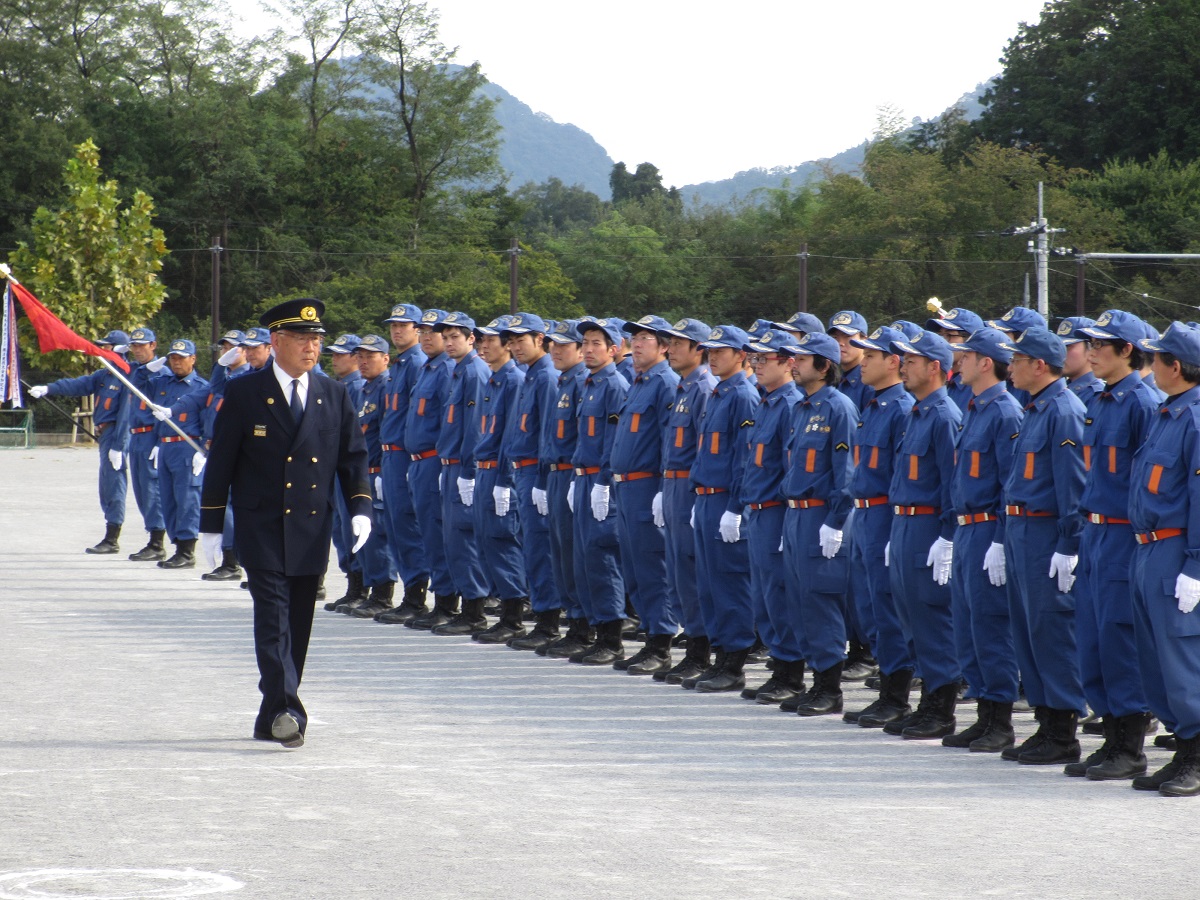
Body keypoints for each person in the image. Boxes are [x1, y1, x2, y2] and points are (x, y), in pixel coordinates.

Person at [199, 298, 371, 749]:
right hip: (262, 524)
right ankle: (287, 710)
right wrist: (212, 525)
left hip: (311, 527)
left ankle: (269, 711)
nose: (312, 347)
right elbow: (222, 462)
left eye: (317, 339)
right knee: (273, 618)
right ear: (276, 342)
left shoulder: (333, 393)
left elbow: (353, 459)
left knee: (298, 622)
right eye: (302, 339)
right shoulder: (245, 392)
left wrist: (361, 509)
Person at [1068, 310, 1158, 779]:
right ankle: (1110, 731)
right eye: (1091, 344)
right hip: (1096, 529)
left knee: (1121, 636)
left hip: (1124, 531)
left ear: (1128, 350)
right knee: (1094, 636)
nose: (1093, 351)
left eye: (1103, 345)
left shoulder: (1143, 403)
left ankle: (1130, 744)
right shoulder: (1102, 401)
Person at [998, 325, 1088, 765]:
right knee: (1027, 629)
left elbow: (1073, 484)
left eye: (1016, 360)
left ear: (1039, 365)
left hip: (1046, 532)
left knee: (1051, 629)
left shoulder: (1064, 410)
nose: (1010, 367)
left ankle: (1063, 728)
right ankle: (1045, 718)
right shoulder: (1033, 408)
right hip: (1020, 530)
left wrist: (1069, 543)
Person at [940, 327, 1023, 752]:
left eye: (966, 355)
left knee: (991, 625)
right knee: (969, 627)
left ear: (986, 362)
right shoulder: (975, 407)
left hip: (988, 526)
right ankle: (983, 713)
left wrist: (999, 539)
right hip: (966, 526)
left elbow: (1010, 482)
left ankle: (1001, 718)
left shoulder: (1006, 411)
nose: (959, 361)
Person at [1128, 322, 1200, 795]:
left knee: (1182, 658)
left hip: (1177, 549)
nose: (1149, 365)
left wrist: (1195, 566)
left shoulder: (1194, 419)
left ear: (1175, 367)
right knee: (1154, 658)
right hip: (1147, 546)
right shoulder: (1167, 412)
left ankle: (1196, 754)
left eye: (1156, 359)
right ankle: (1182, 747)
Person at [883, 330, 962, 739]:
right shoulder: (918, 412)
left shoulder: (944, 415)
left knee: (932, 617)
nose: (903, 367)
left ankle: (941, 705)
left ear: (935, 367)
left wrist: (947, 536)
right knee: (910, 617)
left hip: (930, 525)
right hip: (906, 522)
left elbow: (952, 482)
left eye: (911, 361)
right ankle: (927, 697)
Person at [840, 327, 915, 727]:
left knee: (888, 608)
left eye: (871, 355)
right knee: (870, 606)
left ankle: (897, 694)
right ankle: (888, 689)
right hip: (865, 511)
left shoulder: (902, 408)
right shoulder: (876, 405)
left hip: (887, 513)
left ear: (894, 362)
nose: (861, 360)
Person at [780, 331, 858, 715]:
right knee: (799, 600)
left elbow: (845, 472)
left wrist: (836, 520)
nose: (792, 363)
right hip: (796, 513)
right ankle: (815, 679)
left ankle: (830, 687)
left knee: (820, 600)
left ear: (824, 366)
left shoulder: (838, 407)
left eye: (802, 358)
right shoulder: (802, 407)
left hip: (820, 516)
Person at [687, 324, 759, 692]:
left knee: (731, 583)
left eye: (721, 351)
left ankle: (735, 662)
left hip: (727, 499)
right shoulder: (718, 393)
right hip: (708, 496)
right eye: (710, 351)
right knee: (710, 584)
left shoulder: (743, 396)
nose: (713, 356)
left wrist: (735, 507)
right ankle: (719, 655)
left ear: (741, 355)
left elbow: (744, 459)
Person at [609, 315, 680, 674]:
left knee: (653, 567)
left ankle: (661, 642)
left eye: (645, 339)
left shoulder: (666, 384)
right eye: (634, 338)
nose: (635, 344)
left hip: (647, 485)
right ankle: (651, 632)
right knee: (634, 568)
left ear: (664, 346)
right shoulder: (638, 381)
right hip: (626, 485)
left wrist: (662, 489)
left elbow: (671, 440)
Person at [738, 328, 804, 703]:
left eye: (765, 359)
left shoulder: (791, 404)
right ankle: (781, 666)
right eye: (755, 359)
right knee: (764, 596)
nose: (757, 365)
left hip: (778, 512)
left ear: (788, 362)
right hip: (758, 510)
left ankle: (790, 672)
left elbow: (788, 468)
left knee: (780, 595)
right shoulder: (767, 402)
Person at [653, 318, 717, 683]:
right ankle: (693, 643)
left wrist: (692, 495)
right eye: (670, 342)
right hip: (673, 486)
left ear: (699, 350)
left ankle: (700, 651)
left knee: (693, 574)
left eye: (679, 343)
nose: (671, 348)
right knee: (678, 572)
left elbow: (701, 451)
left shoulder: (703, 389)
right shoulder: (683, 387)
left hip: (691, 490)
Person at [29, 329, 131, 553]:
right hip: (106, 435)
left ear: (119, 349)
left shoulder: (126, 374)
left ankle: (112, 538)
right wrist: (49, 388)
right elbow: (78, 384)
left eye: (106, 346)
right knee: (106, 486)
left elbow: (126, 413)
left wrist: (119, 446)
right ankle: (110, 534)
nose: (101, 350)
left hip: (116, 434)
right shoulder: (105, 374)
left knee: (114, 485)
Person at [569, 317, 631, 664]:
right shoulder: (590, 383)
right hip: (583, 477)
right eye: (586, 343)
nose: (588, 349)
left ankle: (611, 637)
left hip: (600, 480)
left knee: (603, 558)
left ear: (614, 349)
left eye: (597, 343)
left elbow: (613, 441)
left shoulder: (614, 385)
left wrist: (603, 483)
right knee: (585, 560)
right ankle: (595, 629)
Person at [501, 313, 562, 651]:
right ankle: (542, 615)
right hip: (523, 471)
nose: (515, 346)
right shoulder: (531, 375)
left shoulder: (547, 376)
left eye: (521, 339)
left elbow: (549, 435)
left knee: (541, 549)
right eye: (511, 340)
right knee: (533, 547)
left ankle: (549, 621)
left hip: (536, 473)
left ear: (540, 339)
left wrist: (541, 479)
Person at [538, 320, 593, 658]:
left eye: (564, 345)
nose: (556, 350)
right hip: (556, 475)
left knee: (577, 556)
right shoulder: (562, 381)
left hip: (575, 476)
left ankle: (584, 627)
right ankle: (574, 622)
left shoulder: (582, 382)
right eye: (553, 344)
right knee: (560, 555)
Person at [377, 304, 431, 619]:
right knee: (396, 527)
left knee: (408, 528)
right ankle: (409, 594)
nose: (397, 331)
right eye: (393, 326)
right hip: (391, 455)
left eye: (404, 325)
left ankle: (416, 597)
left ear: (417, 330)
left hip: (405, 455)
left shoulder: (417, 364)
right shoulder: (400, 365)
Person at [338, 334, 397, 618]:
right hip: (364, 472)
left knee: (378, 536)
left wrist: (385, 472)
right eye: (360, 356)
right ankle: (368, 589)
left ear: (385, 359)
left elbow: (387, 434)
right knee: (360, 536)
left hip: (378, 470)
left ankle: (383, 594)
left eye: (370, 356)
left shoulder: (385, 387)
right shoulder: (366, 390)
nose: (363, 361)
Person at [149, 339, 209, 568]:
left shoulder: (202, 387)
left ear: (193, 359)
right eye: (173, 358)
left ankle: (187, 551)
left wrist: (203, 450)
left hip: (188, 448)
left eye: (182, 358)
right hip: (165, 446)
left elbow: (207, 421)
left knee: (187, 500)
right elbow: (138, 388)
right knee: (168, 499)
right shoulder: (163, 383)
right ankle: (177, 546)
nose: (176, 362)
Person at [125, 328, 169, 560]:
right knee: (142, 492)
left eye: (142, 345)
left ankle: (157, 543)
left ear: (153, 345)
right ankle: (152, 536)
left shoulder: (163, 372)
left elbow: (166, 406)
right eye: (134, 345)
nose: (138, 349)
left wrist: (160, 440)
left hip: (152, 434)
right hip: (136, 436)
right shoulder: (134, 371)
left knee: (153, 491)